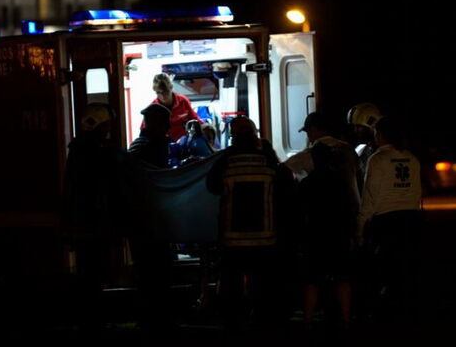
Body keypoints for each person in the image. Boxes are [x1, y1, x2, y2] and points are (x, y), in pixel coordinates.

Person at [206, 116, 296, 331]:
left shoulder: (225, 163)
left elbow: (212, 187)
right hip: (265, 238)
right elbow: (286, 194)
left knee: (232, 285)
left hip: (232, 239)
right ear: (255, 135)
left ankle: (234, 324)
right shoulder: (271, 164)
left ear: (233, 137)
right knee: (264, 284)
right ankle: (265, 323)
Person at [61, 103, 125, 333]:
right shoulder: (101, 153)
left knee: (87, 275)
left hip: (82, 226)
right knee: (94, 275)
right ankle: (93, 322)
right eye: (106, 124)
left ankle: (88, 321)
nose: (108, 129)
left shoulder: (77, 152)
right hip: (96, 226)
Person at [356, 115, 423, 323]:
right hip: (411, 220)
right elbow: (418, 192)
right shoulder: (412, 158)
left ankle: (386, 314)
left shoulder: (377, 159)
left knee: (384, 270)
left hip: (386, 222)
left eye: (376, 133)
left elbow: (370, 196)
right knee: (406, 270)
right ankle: (407, 311)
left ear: (382, 134)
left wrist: (360, 226)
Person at [298, 141, 358, 330]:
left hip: (315, 237)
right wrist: (352, 235)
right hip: (338, 236)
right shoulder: (340, 181)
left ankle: (308, 319)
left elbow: (299, 212)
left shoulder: (307, 183)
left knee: (312, 280)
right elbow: (350, 209)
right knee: (342, 278)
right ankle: (346, 317)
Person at [127, 103, 175, 333]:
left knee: (150, 270)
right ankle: (154, 318)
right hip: (148, 219)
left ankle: (153, 317)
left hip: (145, 219)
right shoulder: (147, 147)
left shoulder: (143, 146)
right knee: (154, 270)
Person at [145, 72, 200, 142]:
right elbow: (144, 131)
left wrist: (206, 127)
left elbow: (195, 119)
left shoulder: (183, 101)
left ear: (171, 88)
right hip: (164, 145)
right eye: (159, 93)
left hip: (184, 142)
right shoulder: (152, 109)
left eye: (165, 92)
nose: (162, 96)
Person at [347, 102, 384, 195]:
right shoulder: (360, 150)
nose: (356, 130)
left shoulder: (387, 152)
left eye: (359, 127)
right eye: (355, 126)